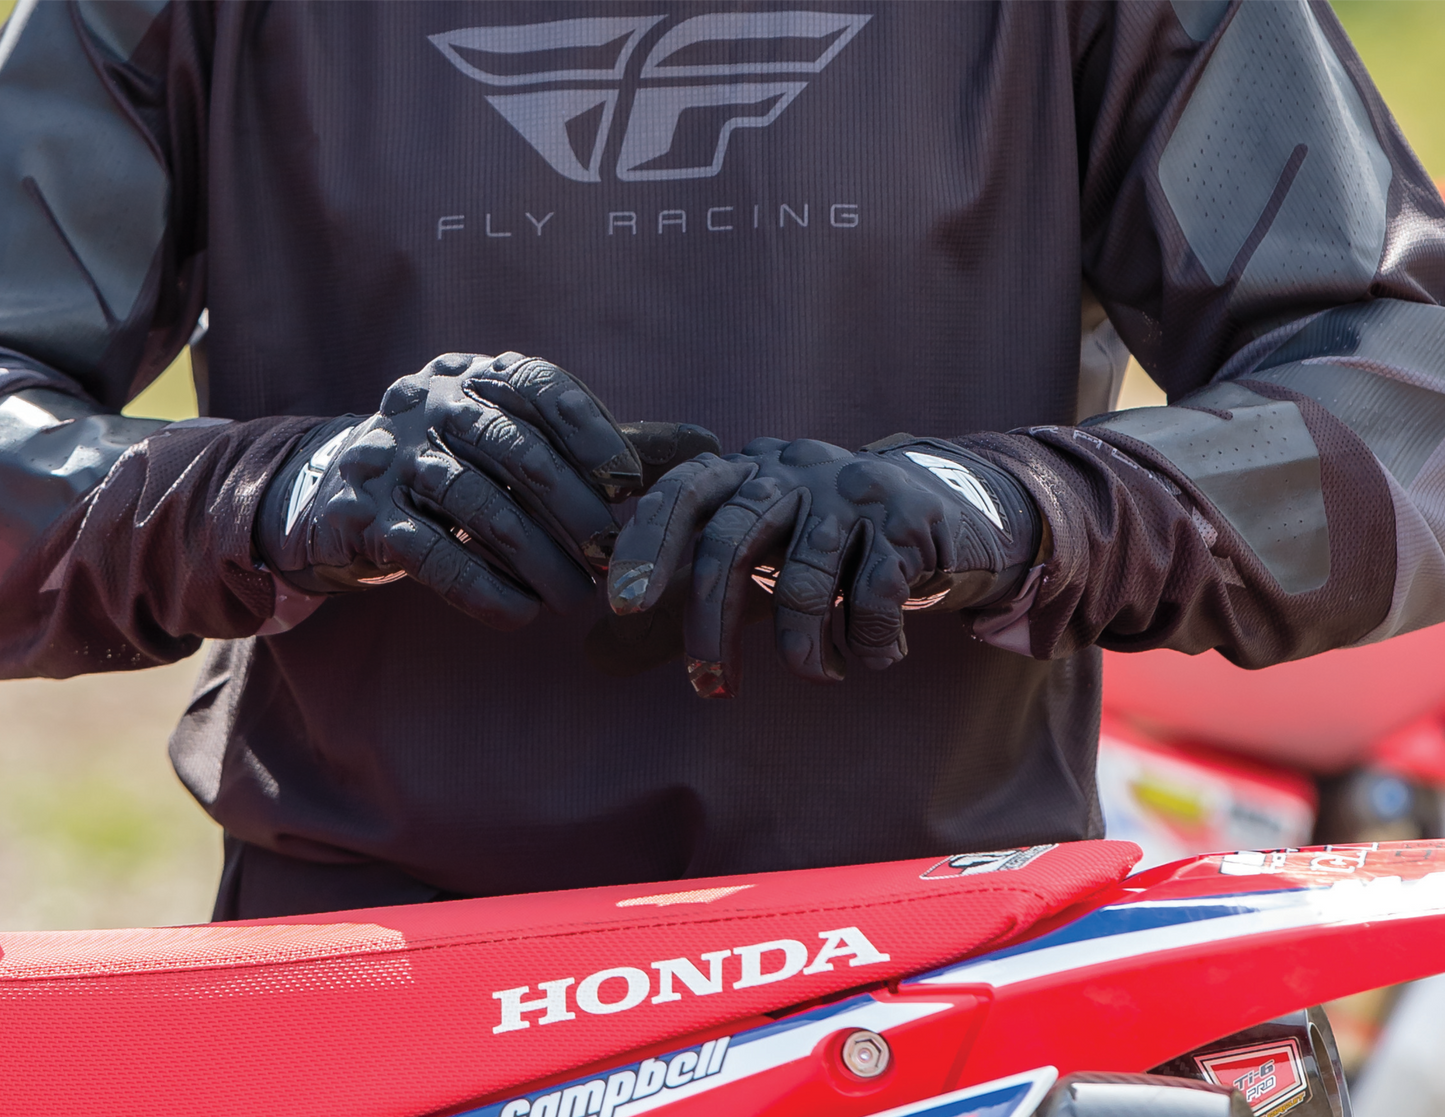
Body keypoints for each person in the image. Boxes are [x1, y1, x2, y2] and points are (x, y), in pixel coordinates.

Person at [1, 0, 1443, 920]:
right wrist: (279, 493)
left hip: (945, 964)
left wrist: (1013, 509)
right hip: (370, 975)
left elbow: (1403, 404)